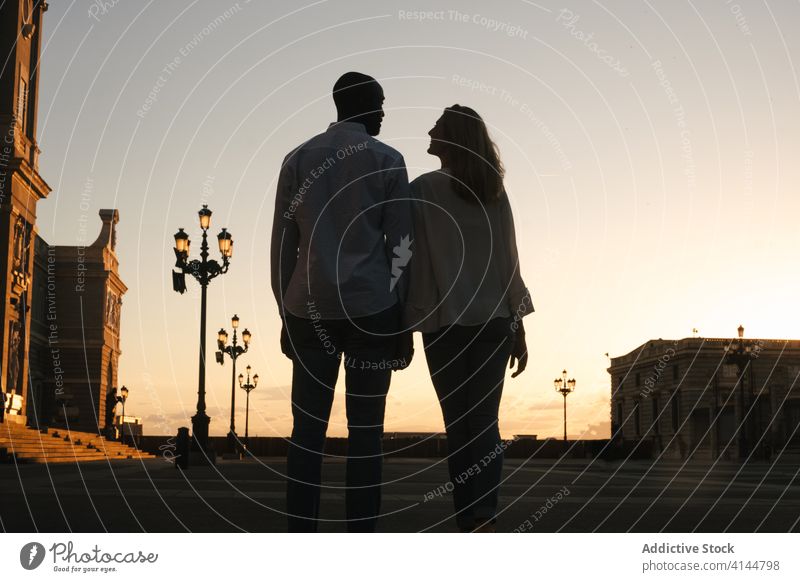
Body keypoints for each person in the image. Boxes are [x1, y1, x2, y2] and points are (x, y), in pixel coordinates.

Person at [271, 72, 413, 532]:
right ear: (363, 105)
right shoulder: (388, 159)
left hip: (307, 309)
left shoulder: (298, 158)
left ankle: (301, 534)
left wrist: (285, 309)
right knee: (367, 434)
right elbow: (401, 246)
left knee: (307, 432)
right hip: (372, 311)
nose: (384, 112)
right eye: (381, 103)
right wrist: (401, 315)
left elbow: (283, 246)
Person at [405, 105, 533, 532]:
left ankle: (466, 516)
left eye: (437, 126)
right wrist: (519, 326)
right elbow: (508, 264)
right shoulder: (494, 191)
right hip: (495, 321)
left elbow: (407, 261)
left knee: (458, 426)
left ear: (452, 137)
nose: (429, 129)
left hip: (444, 324)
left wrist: (406, 318)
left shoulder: (421, 190)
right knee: (485, 422)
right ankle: (485, 513)